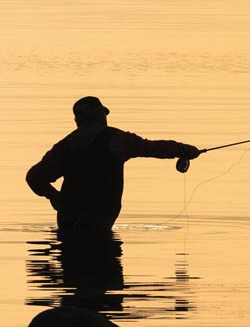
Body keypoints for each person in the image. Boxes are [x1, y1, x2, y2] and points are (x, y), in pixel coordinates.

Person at [26, 96, 201, 232]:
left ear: (78, 122)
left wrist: (55, 198)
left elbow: (34, 177)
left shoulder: (66, 146)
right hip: (100, 220)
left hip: (68, 219)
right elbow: (153, 148)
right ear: (102, 116)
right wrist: (183, 150)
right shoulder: (117, 140)